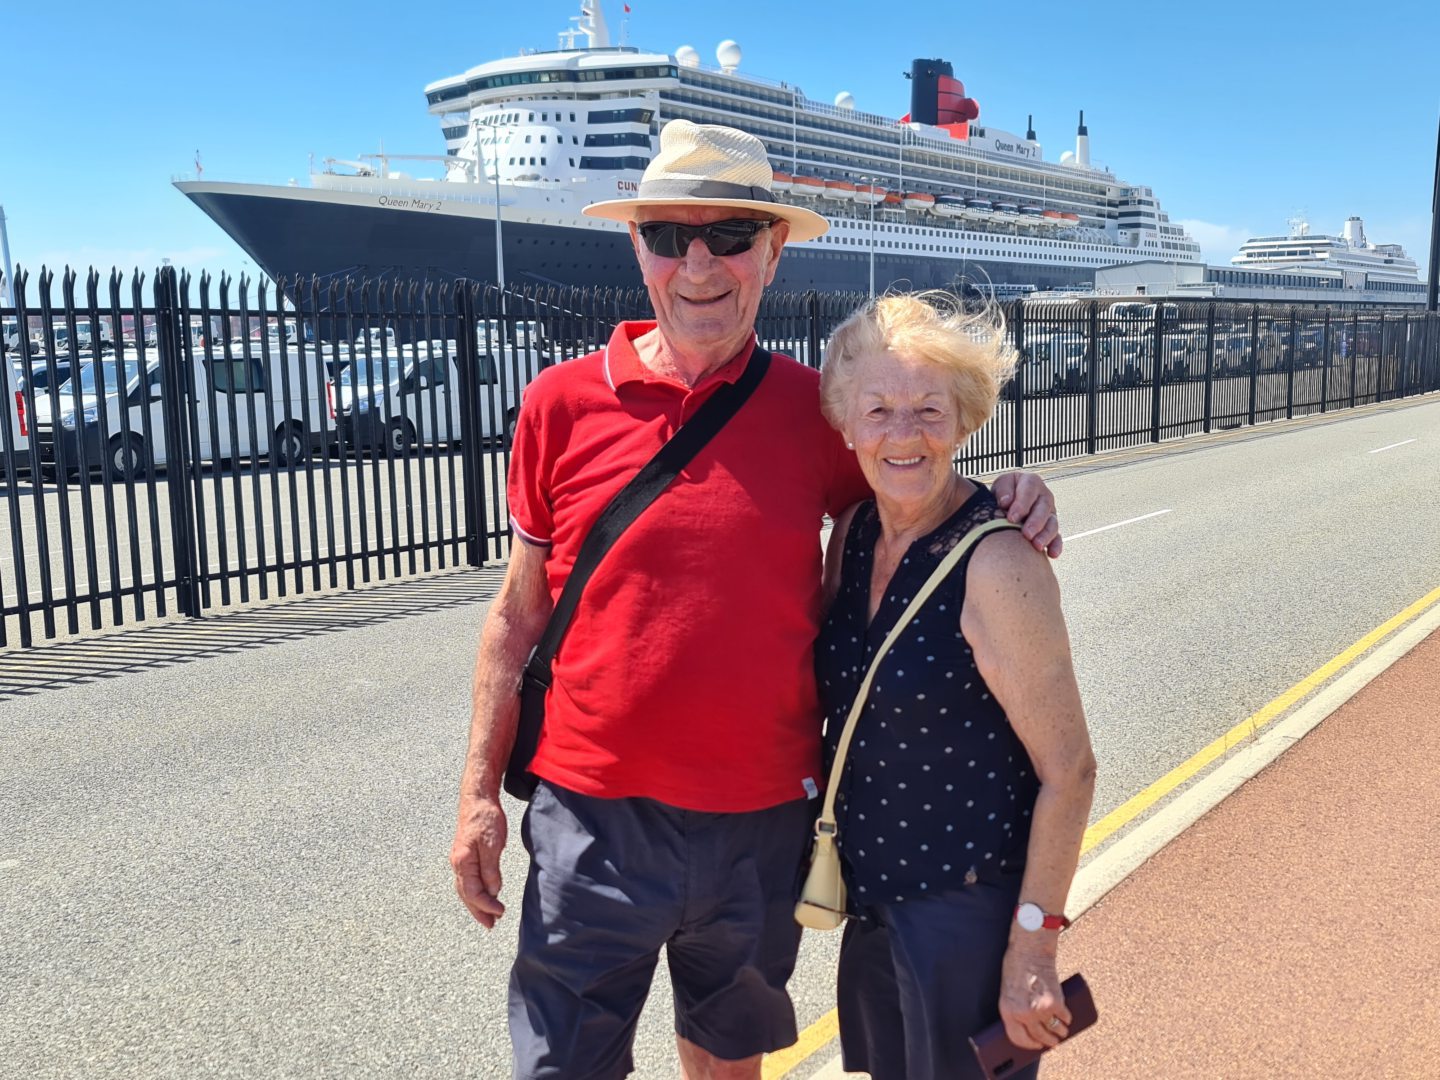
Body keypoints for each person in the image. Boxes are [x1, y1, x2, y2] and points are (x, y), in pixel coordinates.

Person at [449, 120, 1064, 1080]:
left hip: (762, 819)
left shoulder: (813, 409)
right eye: (670, 235)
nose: (700, 262)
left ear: (772, 253)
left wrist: (1015, 491)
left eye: (731, 234)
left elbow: (917, 481)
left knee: (730, 1064)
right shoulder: (557, 404)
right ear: (638, 250)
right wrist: (478, 797)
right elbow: (516, 615)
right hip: (591, 816)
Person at [815, 292, 1097, 1080]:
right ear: (846, 424)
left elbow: (1071, 770)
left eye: (928, 410)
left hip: (965, 917)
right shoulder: (857, 532)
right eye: (878, 410)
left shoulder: (1000, 561)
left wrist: (1034, 948)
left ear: (966, 420)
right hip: (875, 910)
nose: (903, 434)